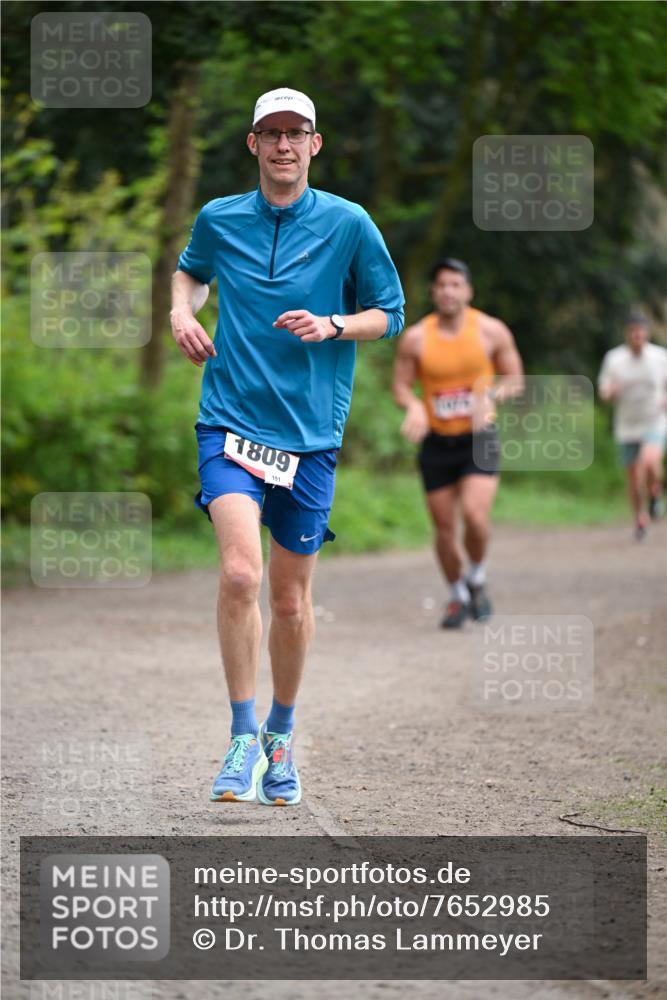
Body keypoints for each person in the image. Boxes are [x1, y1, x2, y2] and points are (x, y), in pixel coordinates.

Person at [170, 88, 404, 805]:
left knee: (292, 602)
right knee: (241, 575)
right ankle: (241, 735)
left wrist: (334, 325)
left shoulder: (349, 223)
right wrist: (181, 310)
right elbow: (191, 271)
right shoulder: (219, 218)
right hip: (230, 423)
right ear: (251, 145)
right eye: (268, 134)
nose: (281, 145)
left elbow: (388, 315)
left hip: (308, 436)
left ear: (314, 143)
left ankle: (279, 732)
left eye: (293, 133)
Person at [393, 258, 523, 629]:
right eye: (442, 285)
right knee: (445, 530)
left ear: (468, 290)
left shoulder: (491, 331)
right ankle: (458, 595)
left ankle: (477, 577)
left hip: (478, 439)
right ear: (433, 292)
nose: (448, 291)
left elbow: (515, 378)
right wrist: (414, 404)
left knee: (476, 517)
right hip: (436, 443)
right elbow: (401, 385)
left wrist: (492, 394)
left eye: (455, 285)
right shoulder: (417, 337)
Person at [597, 312, 667, 540]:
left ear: (647, 333)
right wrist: (610, 392)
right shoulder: (614, 359)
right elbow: (604, 390)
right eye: (632, 331)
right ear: (627, 334)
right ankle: (640, 517)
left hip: (654, 419)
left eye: (641, 330)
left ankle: (655, 492)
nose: (637, 335)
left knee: (649, 462)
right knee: (633, 478)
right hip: (627, 425)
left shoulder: (660, 357)